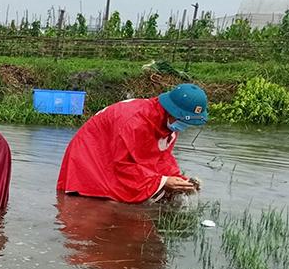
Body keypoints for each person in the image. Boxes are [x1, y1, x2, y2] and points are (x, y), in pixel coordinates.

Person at [56, 83, 208, 203]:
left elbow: (161, 157)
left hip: (113, 152)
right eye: (182, 121)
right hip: (92, 155)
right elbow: (122, 165)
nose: (183, 127)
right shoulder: (134, 122)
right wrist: (162, 181)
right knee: (104, 206)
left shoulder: (167, 123)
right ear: (171, 111)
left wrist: (180, 181)